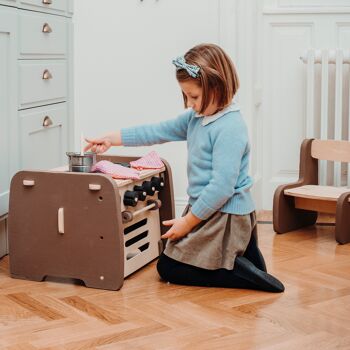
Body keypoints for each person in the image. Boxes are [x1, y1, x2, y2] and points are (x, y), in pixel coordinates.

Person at [85, 43, 284, 293]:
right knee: (172, 259)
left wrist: (188, 222)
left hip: (225, 215)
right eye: (186, 96)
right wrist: (111, 138)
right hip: (207, 209)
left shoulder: (230, 127)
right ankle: (242, 260)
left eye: (195, 97)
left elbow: (222, 188)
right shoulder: (197, 118)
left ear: (219, 88)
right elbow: (157, 131)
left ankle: (236, 270)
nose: (189, 103)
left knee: (168, 268)